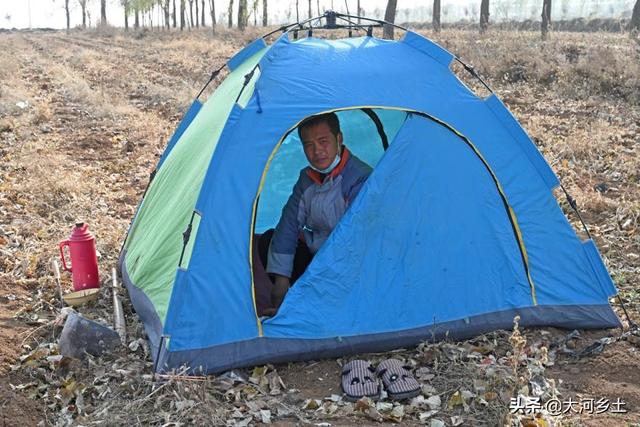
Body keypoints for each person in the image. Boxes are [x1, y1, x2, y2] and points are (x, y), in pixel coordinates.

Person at [258, 112, 372, 316]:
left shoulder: (359, 178)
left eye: (323, 141)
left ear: (339, 139)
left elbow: (356, 240)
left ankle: (311, 306)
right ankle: (295, 304)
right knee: (268, 240)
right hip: (317, 257)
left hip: (350, 265)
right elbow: (289, 224)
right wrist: (280, 283)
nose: (317, 151)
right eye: (308, 145)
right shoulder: (307, 179)